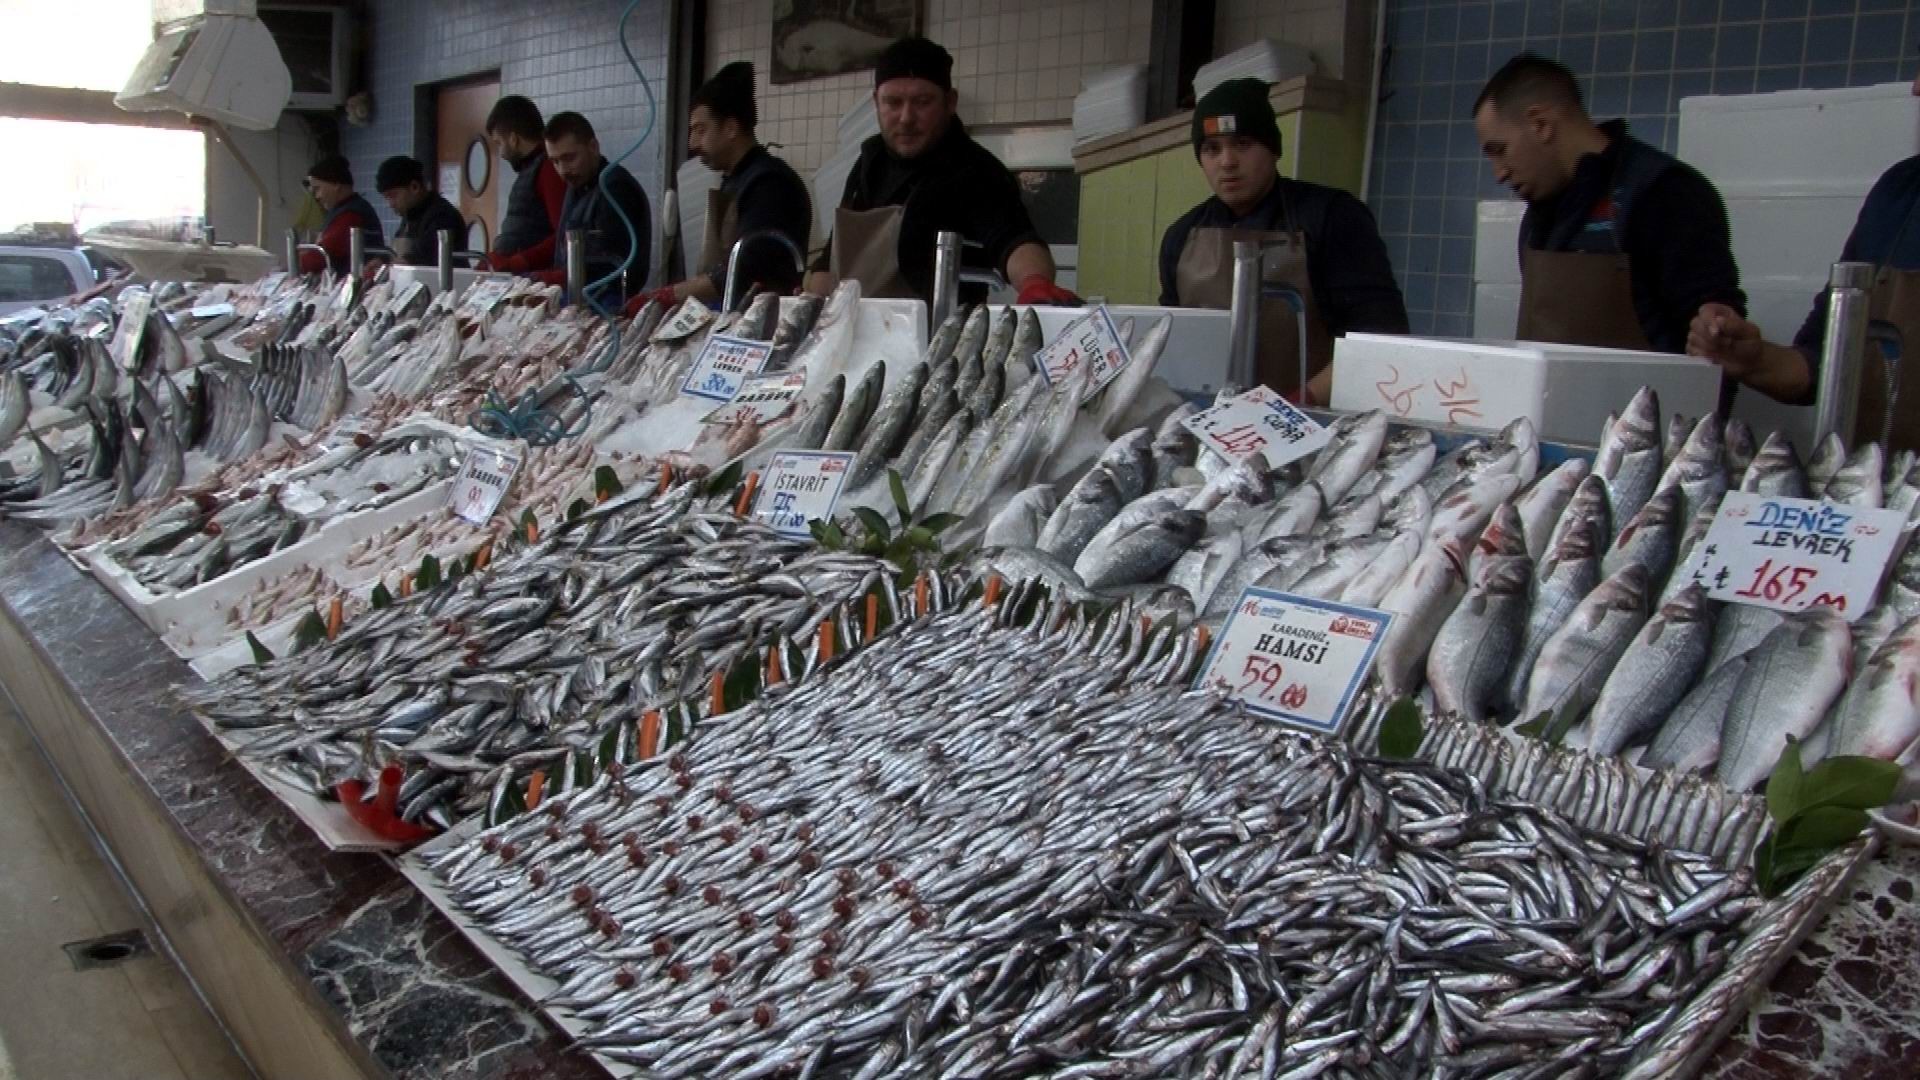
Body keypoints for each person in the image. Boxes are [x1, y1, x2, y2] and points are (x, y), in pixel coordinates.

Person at [1689, 73, 1920, 448]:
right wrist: (1754, 360)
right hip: (1873, 482)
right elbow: (1822, 366)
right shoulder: (1900, 193)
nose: (1916, 87)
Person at [1473, 53, 1745, 361]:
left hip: (1646, 393)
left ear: (1540, 124)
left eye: (1500, 150)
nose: (1499, 173)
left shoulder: (1662, 192)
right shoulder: (1540, 219)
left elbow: (1719, 345)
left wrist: (1715, 329)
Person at [1160, 78, 1408, 405]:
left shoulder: (1332, 217)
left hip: (1318, 420)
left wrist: (1298, 401)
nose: (1227, 162)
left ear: (1273, 149)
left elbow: (1381, 340)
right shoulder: (1180, 236)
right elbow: (1173, 344)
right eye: (1212, 149)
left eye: (1243, 143)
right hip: (1207, 419)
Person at [803, 37, 1076, 305]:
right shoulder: (868, 164)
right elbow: (833, 259)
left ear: (950, 102)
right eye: (893, 102)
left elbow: (1015, 241)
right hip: (861, 326)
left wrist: (1034, 282)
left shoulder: (976, 170)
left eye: (922, 102)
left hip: (942, 329)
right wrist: (809, 295)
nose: (906, 118)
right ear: (877, 102)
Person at [627, 62, 811, 316]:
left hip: (764, 322)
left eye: (700, 130)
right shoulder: (734, 178)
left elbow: (743, 270)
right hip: (732, 315)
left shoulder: (769, 183)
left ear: (730, 128)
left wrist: (668, 295)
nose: (692, 143)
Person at [532, 111, 652, 304]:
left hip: (607, 303)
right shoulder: (577, 185)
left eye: (569, 158)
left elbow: (614, 263)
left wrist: (560, 277)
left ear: (593, 147)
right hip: (578, 297)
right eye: (555, 161)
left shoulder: (615, 188)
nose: (563, 170)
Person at [481, 95, 567, 273]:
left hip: (529, 275)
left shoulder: (547, 169)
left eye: (499, 143)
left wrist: (519, 261)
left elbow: (562, 234)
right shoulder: (534, 168)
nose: (501, 153)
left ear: (513, 139)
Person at [373, 156, 467, 268]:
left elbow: (426, 254)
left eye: (393, 195)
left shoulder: (443, 215)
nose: (391, 204)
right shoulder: (410, 215)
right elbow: (398, 252)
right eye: (387, 198)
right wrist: (382, 260)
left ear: (414, 187)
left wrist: (395, 264)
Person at [297, 155, 383, 275]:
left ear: (336, 184)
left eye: (317, 189)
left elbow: (321, 257)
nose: (317, 197)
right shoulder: (342, 210)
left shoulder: (351, 215)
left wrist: (294, 264)